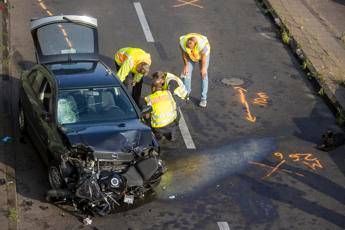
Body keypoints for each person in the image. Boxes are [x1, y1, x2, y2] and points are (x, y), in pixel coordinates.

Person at [179, 33, 210, 107]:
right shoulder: (182, 43)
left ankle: (203, 99)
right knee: (186, 73)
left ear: (195, 45)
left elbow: (203, 58)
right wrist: (186, 65)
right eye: (188, 48)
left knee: (204, 75)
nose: (189, 49)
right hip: (191, 56)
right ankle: (186, 94)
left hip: (202, 56)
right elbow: (184, 54)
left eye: (191, 48)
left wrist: (203, 69)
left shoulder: (202, 46)